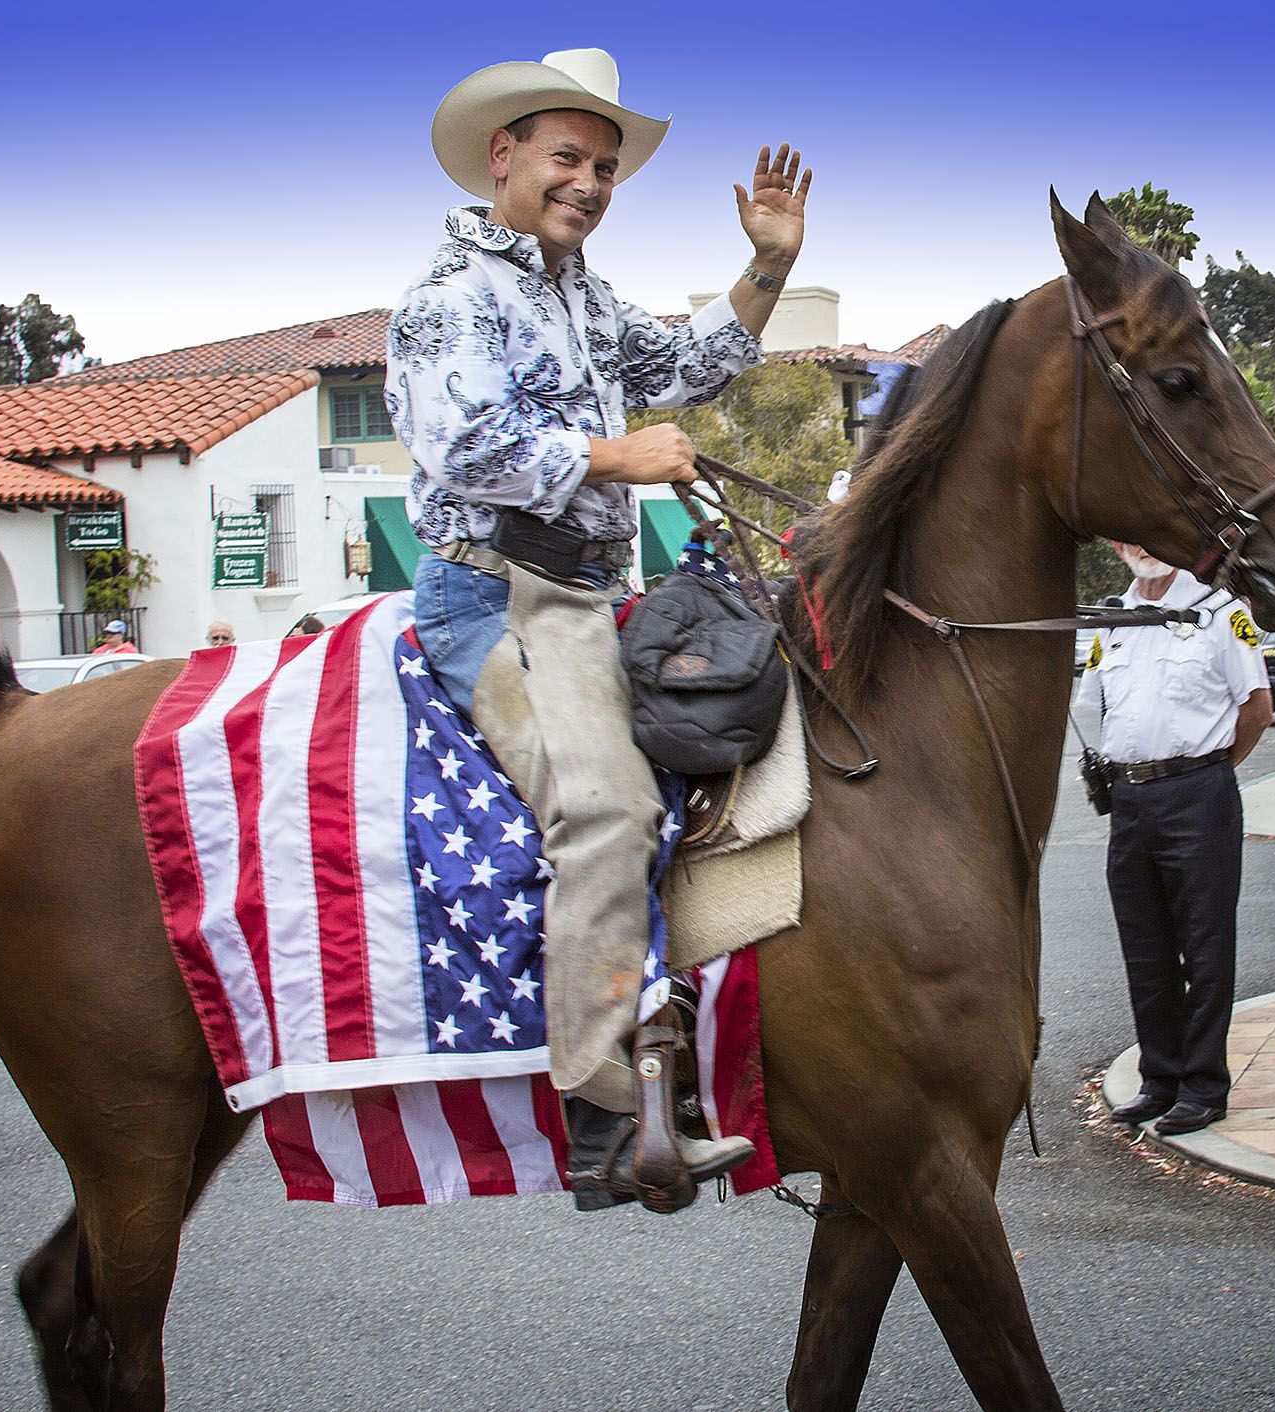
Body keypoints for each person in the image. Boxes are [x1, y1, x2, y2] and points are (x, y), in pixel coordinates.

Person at [386, 47, 809, 1211]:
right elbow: (464, 445)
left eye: (606, 167)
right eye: (567, 156)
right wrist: (616, 453)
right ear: (502, 155)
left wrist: (765, 267)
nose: (588, 181)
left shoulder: (580, 293)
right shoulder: (446, 299)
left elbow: (689, 366)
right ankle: (600, 1112)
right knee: (611, 807)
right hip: (499, 599)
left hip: (589, 591)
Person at [1078, 542, 1273, 1136]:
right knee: (1147, 949)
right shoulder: (1112, 622)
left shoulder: (1221, 612)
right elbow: (1097, 707)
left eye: (1149, 535)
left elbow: (1258, 707)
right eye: (1127, 537)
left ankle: (1204, 1086)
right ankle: (1159, 1078)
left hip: (1198, 794)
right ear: (1116, 546)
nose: (1141, 548)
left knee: (1206, 948)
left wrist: (1208, 775)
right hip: (1130, 801)